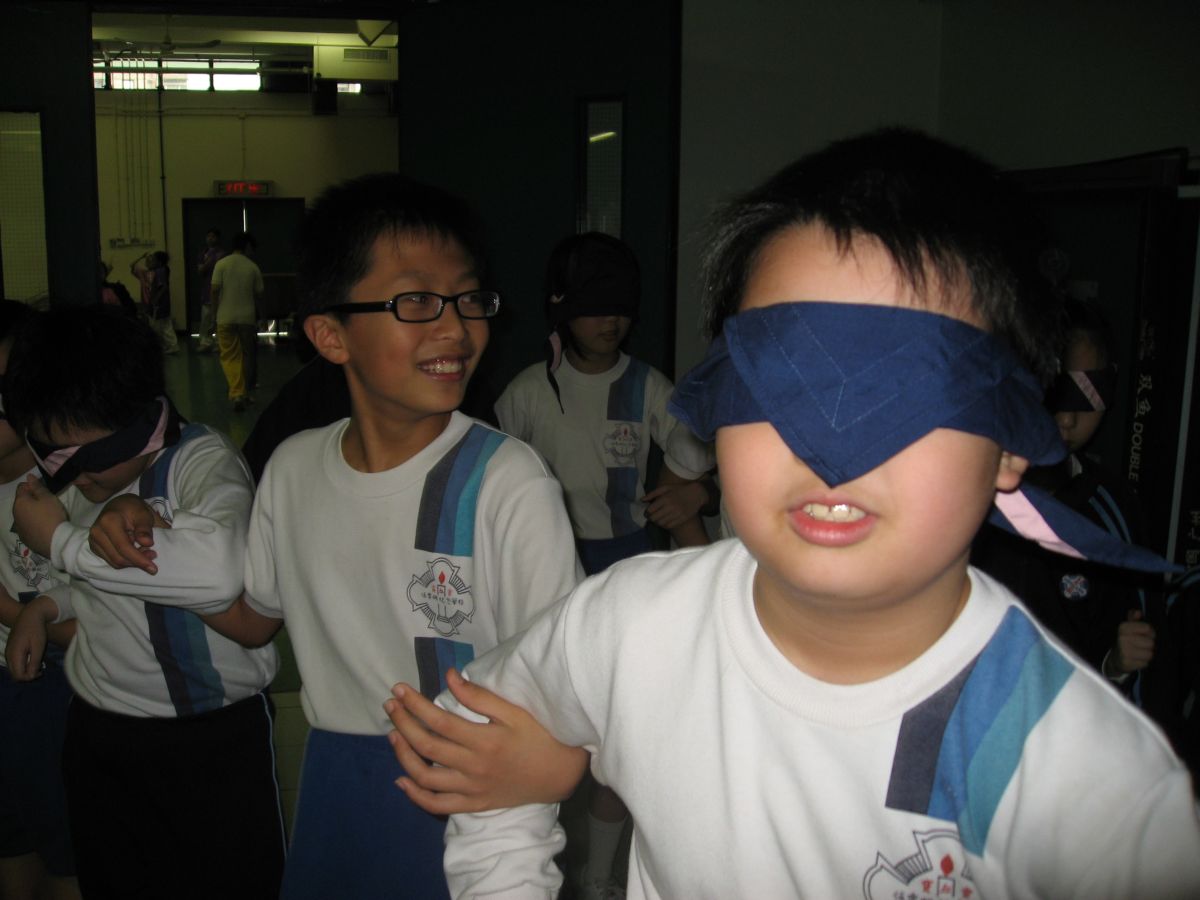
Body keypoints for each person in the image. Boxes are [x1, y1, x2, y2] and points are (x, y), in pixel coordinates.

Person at [384, 129, 1200, 898]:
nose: (831, 450)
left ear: (1011, 443)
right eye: (781, 383)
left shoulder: (1088, 785)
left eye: (912, 393)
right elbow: (475, 741)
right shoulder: (630, 628)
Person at [199, 173, 582, 900]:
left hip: (464, 792)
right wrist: (143, 557)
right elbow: (254, 618)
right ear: (329, 335)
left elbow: (567, 683)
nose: (455, 328)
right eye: (415, 302)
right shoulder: (293, 469)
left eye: (468, 299)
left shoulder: (505, 483)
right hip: (332, 786)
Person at [3, 306, 284, 900]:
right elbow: (107, 590)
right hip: (100, 730)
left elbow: (219, 574)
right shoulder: (88, 480)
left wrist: (61, 542)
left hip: (206, 739)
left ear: (139, 423)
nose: (74, 479)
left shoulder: (200, 463)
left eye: (81, 456)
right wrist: (47, 607)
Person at [494, 232, 714, 897]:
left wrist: (696, 491)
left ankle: (597, 877)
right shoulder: (528, 393)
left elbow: (698, 450)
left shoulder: (648, 386)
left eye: (620, 306)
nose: (609, 320)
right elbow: (490, 485)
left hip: (630, 570)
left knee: (624, 734)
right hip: (547, 578)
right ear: (562, 310)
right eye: (593, 307)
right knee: (542, 728)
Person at [974, 300, 1162, 693]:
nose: (1067, 418)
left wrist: (1116, 664)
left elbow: (1130, 653)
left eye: (1088, 393)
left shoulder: (1114, 511)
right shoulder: (971, 497)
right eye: (1058, 391)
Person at [0, 301, 80, 900]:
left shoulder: (76, 487)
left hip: (55, 688)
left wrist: (13, 613)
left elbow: (103, 627)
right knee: (12, 841)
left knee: (65, 849)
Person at [212, 232, 264, 412]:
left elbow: (214, 291)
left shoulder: (221, 264)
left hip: (225, 318)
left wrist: (214, 315)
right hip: (247, 319)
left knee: (230, 356)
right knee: (247, 356)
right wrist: (262, 317)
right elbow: (259, 296)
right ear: (247, 247)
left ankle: (237, 393)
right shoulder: (252, 267)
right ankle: (244, 393)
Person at [130, 251, 178, 354]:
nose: (150, 262)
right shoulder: (150, 272)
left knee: (162, 325)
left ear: (159, 262)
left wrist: (155, 300)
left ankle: (172, 345)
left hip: (160, 304)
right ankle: (168, 345)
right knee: (162, 325)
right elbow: (132, 266)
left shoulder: (160, 271)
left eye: (153, 260)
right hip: (156, 304)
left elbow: (163, 287)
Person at [195, 228, 225, 353]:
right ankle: (205, 342)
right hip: (207, 289)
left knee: (220, 318)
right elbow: (200, 270)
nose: (210, 238)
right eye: (208, 236)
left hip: (221, 289)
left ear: (218, 238)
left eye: (213, 236)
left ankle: (219, 343)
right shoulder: (203, 253)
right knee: (206, 317)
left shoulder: (223, 254)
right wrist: (210, 260)